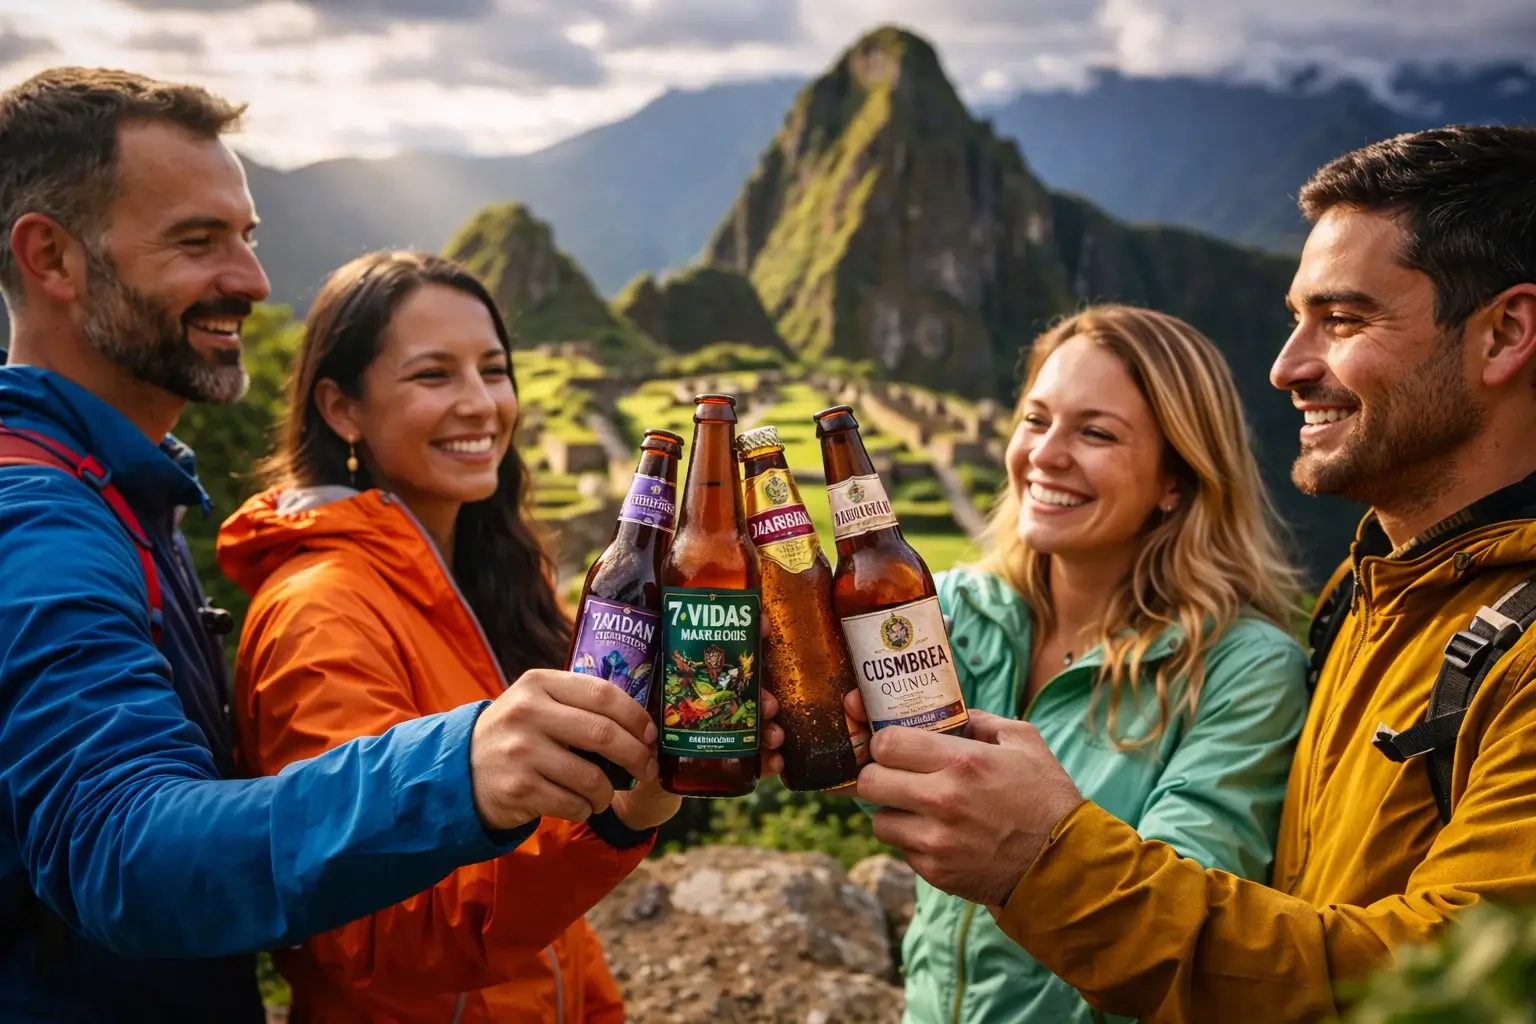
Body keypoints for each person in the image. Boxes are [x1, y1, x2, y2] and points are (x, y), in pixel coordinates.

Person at [0, 67, 759, 1021]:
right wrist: (458, 764)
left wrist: (630, 795)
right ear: (52, 259)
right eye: (197, 242)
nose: (253, 280)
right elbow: (120, 851)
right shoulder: (41, 526)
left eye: (247, 237)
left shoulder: (120, 501)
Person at [853, 123, 1536, 1022]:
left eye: (1341, 320)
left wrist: (1045, 859)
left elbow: (1452, 996)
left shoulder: (1469, 646)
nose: (1288, 366)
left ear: (1504, 335)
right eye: (1296, 320)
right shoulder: (1371, 595)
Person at [215, 249, 682, 1021]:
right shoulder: (322, 611)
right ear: (342, 409)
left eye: (493, 371)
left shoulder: (482, 584)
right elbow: (371, 921)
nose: (479, 404)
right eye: (433, 376)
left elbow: (546, 931)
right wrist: (617, 818)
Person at [855, 304, 1309, 1023]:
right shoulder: (956, 614)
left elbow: (1175, 937)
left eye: (1095, 432)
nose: (1046, 455)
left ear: (1177, 480)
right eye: (1036, 420)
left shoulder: (1242, 673)